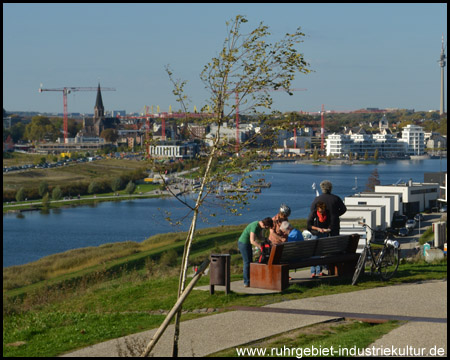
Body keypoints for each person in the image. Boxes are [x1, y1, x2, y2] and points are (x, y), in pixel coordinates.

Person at [238, 217, 274, 287]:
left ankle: (251, 280)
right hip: (243, 243)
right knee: (247, 262)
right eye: (267, 227)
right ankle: (246, 282)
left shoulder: (260, 227)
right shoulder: (254, 226)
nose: (266, 229)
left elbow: (260, 237)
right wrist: (261, 247)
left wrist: (267, 240)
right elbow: (252, 241)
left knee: (250, 262)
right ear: (265, 225)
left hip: (247, 244)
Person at [307, 201, 331, 277]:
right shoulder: (313, 214)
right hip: (315, 234)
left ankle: (319, 271)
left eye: (323, 211)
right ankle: (313, 271)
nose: (321, 212)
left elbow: (329, 224)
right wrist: (318, 229)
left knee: (320, 253)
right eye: (320, 211)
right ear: (318, 209)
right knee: (314, 253)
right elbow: (309, 225)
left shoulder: (327, 214)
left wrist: (327, 229)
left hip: (323, 233)